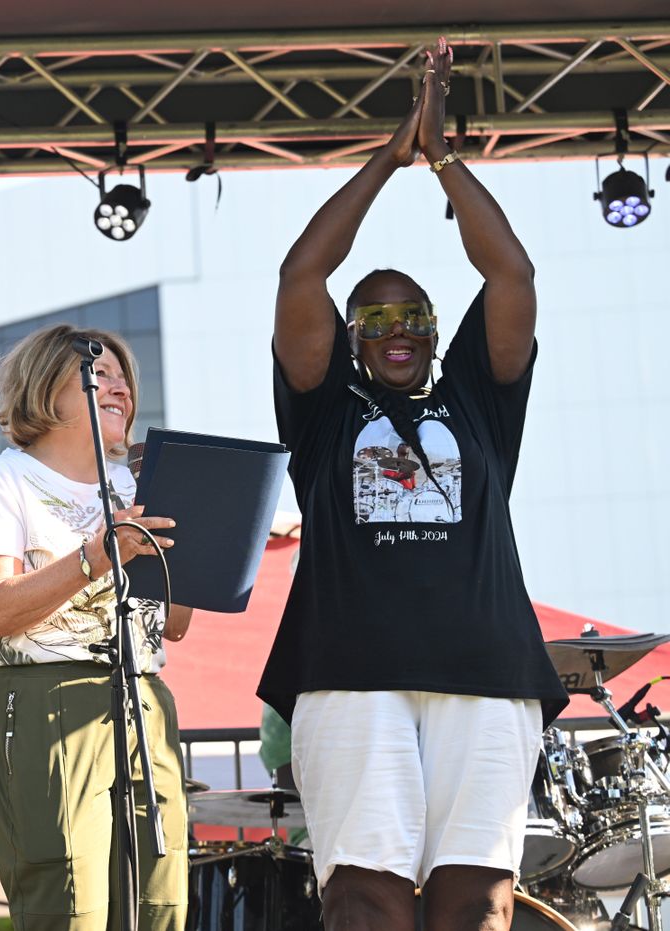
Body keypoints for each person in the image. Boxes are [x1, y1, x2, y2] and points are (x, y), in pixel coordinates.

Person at [257, 38, 567, 931]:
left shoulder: (476, 395)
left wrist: (446, 161)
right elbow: (300, 275)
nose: (400, 330)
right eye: (378, 317)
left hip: (486, 666)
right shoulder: (324, 409)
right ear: (352, 336)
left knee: (480, 900)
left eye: (416, 317)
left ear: (436, 332)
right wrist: (388, 160)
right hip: (352, 673)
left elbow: (512, 274)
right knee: (366, 894)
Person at [0, 324, 193, 931]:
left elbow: (177, 624)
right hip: (42, 696)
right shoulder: (2, 479)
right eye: (99, 373)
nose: (120, 388)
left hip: (143, 694)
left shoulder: (142, 484)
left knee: (161, 903)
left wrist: (206, 540)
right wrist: (98, 555)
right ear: (44, 389)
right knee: (69, 904)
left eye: (123, 376)